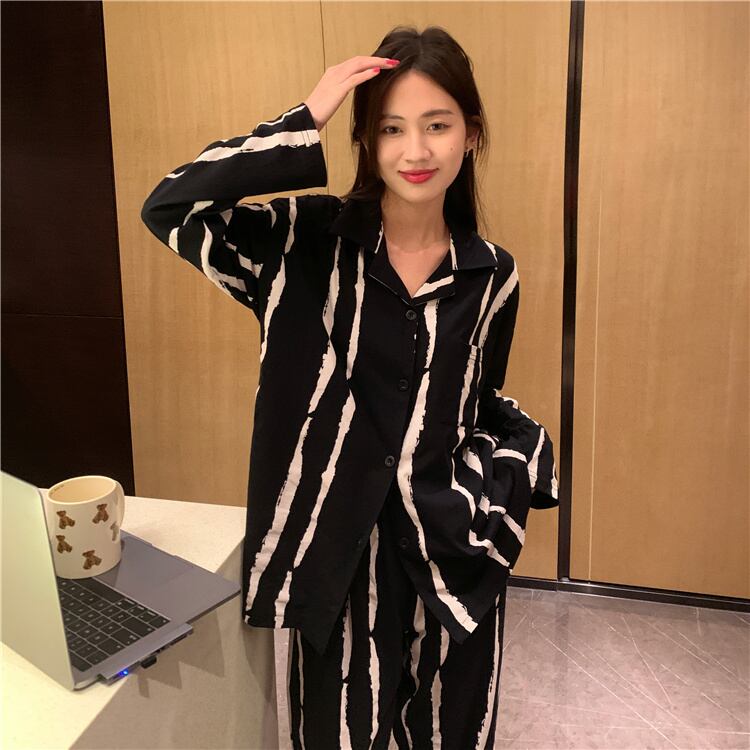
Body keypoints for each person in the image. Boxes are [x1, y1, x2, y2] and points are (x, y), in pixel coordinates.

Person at [141, 25, 558, 750]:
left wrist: (501, 485)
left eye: (437, 125)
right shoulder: (300, 243)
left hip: (452, 556)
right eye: (391, 128)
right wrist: (305, 118)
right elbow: (171, 208)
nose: (415, 150)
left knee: (455, 734)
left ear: (471, 134)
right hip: (337, 563)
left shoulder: (493, 274)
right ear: (365, 139)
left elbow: (476, 400)